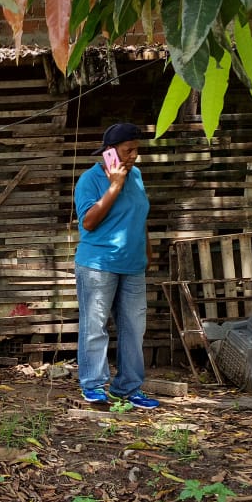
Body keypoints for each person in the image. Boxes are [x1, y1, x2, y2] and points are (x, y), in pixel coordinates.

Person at [74, 122, 159, 409]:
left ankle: (128, 388)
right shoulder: (89, 180)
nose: (134, 155)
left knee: (134, 328)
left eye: (136, 150)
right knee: (95, 326)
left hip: (133, 265)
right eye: (127, 150)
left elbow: (139, 214)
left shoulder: (137, 175)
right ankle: (93, 385)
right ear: (109, 152)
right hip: (98, 265)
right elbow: (89, 221)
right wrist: (114, 186)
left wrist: (147, 251)